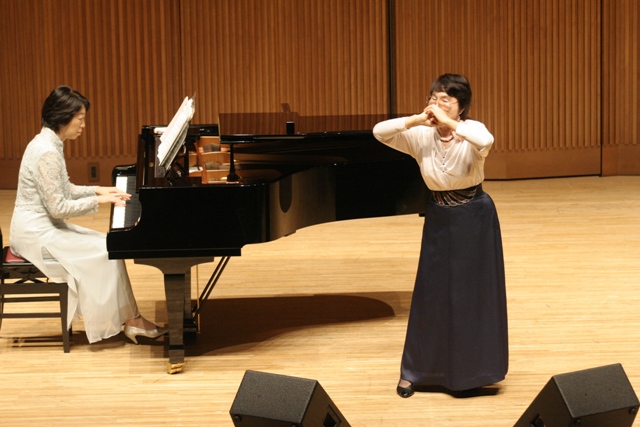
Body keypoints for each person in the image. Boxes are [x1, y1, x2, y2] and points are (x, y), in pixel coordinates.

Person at [373, 74, 508, 397]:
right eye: (433, 98)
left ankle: (471, 374)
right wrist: (417, 119)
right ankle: (415, 372)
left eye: (446, 99)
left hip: (474, 218)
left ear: (462, 107)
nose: (437, 104)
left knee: (471, 295)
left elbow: (486, 141)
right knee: (431, 293)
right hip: (439, 218)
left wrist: (449, 122)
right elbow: (379, 132)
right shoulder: (420, 135)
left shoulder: (472, 131)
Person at [10, 85, 167, 345]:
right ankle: (132, 320)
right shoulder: (46, 152)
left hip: (43, 226)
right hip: (35, 234)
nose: (83, 125)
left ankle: (132, 319)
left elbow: (63, 188)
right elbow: (58, 207)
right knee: (107, 249)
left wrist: (97, 189)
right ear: (63, 117)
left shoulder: (48, 142)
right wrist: (99, 201)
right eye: (80, 118)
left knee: (109, 245)